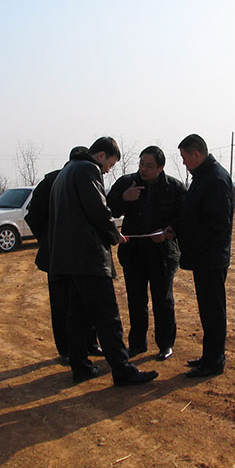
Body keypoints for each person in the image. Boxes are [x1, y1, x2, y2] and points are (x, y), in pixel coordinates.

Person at [47, 136, 158, 386]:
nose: (108, 170)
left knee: (78, 315)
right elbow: (97, 208)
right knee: (108, 316)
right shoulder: (88, 169)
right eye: (110, 164)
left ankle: (81, 366)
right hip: (89, 257)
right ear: (101, 156)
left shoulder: (66, 171)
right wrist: (113, 233)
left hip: (69, 258)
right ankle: (123, 370)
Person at [24, 146, 103, 364]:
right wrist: (48, 239)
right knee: (61, 304)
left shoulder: (86, 178)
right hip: (57, 255)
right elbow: (34, 215)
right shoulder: (52, 181)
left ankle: (90, 343)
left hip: (81, 255)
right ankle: (66, 350)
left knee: (86, 302)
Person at [107, 146, 187, 361]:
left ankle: (165, 344)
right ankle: (137, 344)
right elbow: (108, 208)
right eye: (141, 163)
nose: (143, 169)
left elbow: (185, 216)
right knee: (136, 300)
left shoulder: (174, 188)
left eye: (149, 166)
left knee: (163, 301)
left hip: (162, 253)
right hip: (133, 252)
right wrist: (125, 197)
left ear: (161, 168)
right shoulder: (127, 183)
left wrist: (170, 231)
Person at [164, 134, 234, 378]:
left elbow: (217, 225)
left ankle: (214, 362)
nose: (183, 163)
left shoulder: (215, 179)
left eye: (185, 158)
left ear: (197, 154)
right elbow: (192, 214)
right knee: (208, 310)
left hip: (211, 258)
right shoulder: (204, 177)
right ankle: (209, 356)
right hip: (204, 257)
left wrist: (192, 241)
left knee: (214, 311)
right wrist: (177, 229)